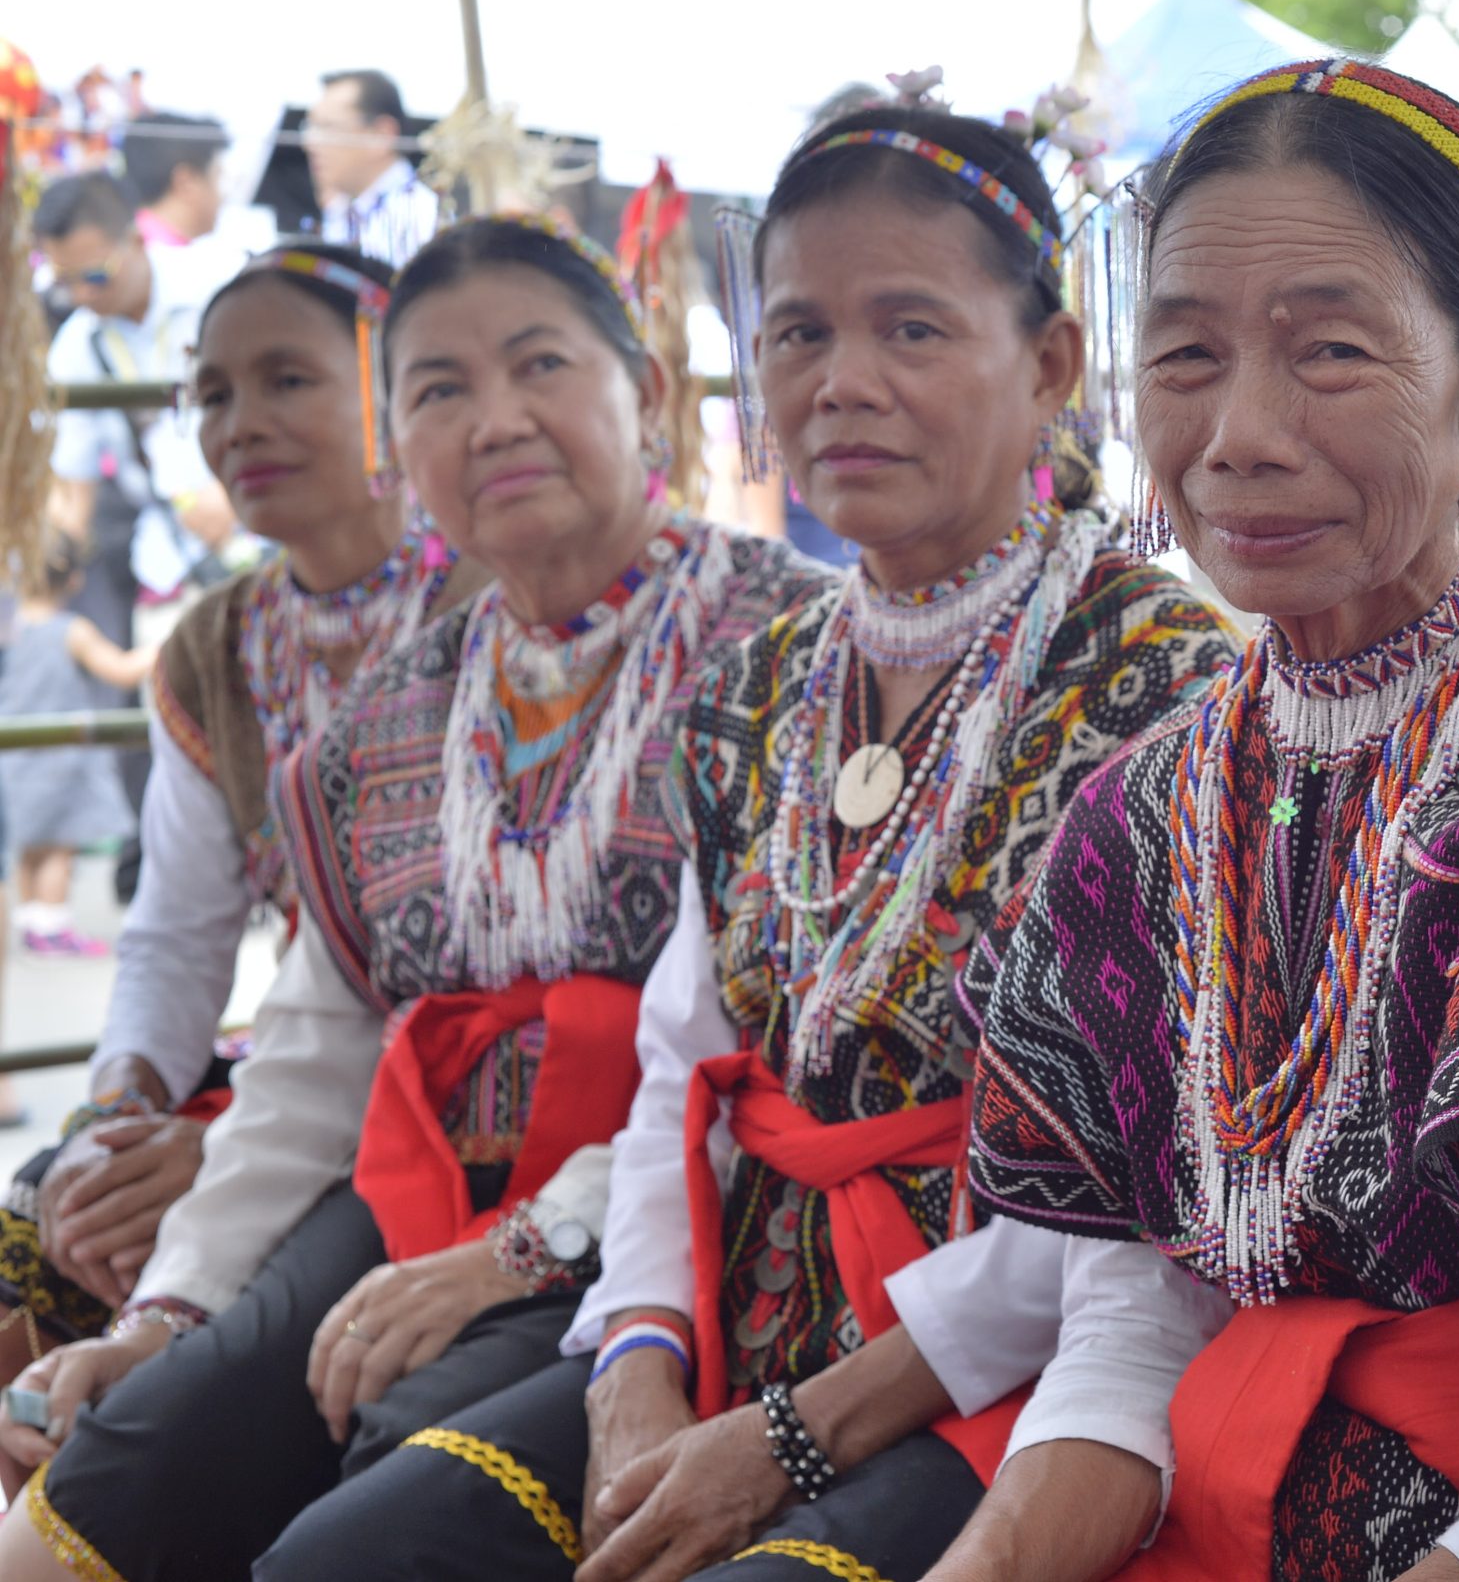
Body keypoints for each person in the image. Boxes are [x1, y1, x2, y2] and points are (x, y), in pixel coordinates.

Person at [260, 89, 1241, 1582]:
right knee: (353, 1559)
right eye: (798, 335)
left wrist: (791, 1438)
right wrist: (638, 1365)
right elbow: (681, 1075)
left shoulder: (1170, 688)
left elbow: (1150, 1198)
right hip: (731, 1315)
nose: (843, 382)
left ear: (1050, 364)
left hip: (996, 1372)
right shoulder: (760, 682)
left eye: (910, 329)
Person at [917, 59, 1459, 1582]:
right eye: (1186, 357)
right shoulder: (1139, 815)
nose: (1239, 435)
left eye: (1331, 352)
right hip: (1218, 1500)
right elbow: (1136, 1324)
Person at [0, 214, 825, 1582]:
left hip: (676, 1213)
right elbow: (318, 1045)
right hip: (412, 1183)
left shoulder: (785, 653)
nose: (494, 419)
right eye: (439, 389)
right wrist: (171, 1306)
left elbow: (775, 1059)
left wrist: (514, 1250)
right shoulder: (393, 716)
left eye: (539, 364)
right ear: (404, 444)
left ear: (651, 393)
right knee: (110, 1475)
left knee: (373, 1521)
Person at [0, 244, 483, 1437]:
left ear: (389, 387)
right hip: (286, 1075)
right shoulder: (215, 649)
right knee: (41, 1236)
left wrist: (216, 1146)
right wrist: (121, 1115)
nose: (240, 423)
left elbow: (466, 974)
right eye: (212, 393)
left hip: (461, 1100)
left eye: (286, 379)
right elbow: (175, 931)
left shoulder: (495, 606)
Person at [35, 172, 236, 651]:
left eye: (95, 275)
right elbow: (73, 493)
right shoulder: (76, 348)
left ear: (136, 239)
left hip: (266, 533)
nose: (83, 295)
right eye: (65, 284)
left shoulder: (219, 286)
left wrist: (232, 489)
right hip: (168, 566)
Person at [0, 532, 148, 960]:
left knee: (28, 843)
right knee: (59, 846)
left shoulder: (10, 623)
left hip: (13, 759)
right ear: (75, 580)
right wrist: (161, 652)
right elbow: (119, 670)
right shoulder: (72, 630)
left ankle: (30, 919)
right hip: (59, 760)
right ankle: (51, 922)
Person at [306, 69, 439, 268]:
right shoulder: (343, 211)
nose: (310, 143)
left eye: (327, 128)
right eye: (309, 127)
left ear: (382, 134)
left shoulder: (419, 217)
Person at [123, 113, 227, 249]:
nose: (223, 198)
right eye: (218, 178)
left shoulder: (129, 245)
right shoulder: (166, 259)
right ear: (186, 183)